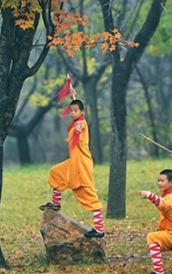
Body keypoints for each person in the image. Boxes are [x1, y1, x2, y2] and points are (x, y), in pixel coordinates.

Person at [39, 99, 105, 238]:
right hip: (73, 162)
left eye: (76, 110)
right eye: (71, 110)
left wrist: (78, 128)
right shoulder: (76, 123)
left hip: (81, 164)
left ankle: (99, 229)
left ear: (82, 112)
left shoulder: (81, 124)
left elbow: (80, 128)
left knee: (89, 195)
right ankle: (55, 203)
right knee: (56, 172)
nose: (73, 113)